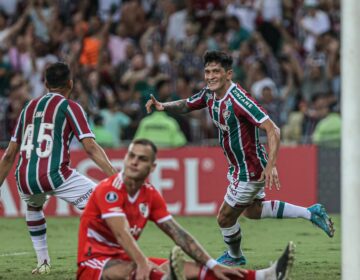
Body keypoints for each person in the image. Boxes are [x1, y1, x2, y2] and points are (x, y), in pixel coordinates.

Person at [146, 50, 334, 266]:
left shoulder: (239, 100)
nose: (210, 76)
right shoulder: (209, 94)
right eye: (207, 72)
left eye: (216, 72)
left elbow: (273, 129)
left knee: (225, 217)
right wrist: (163, 106)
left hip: (250, 169)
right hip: (239, 167)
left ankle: (235, 256)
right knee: (252, 211)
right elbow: (188, 104)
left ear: (228, 74)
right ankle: (311, 213)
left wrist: (271, 165)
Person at [77, 138, 295, 280]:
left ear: (152, 167)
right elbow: (120, 232)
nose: (134, 162)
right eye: (131, 156)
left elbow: (177, 233)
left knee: (198, 270)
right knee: (137, 272)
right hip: (93, 265)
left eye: (141, 159)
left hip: (127, 258)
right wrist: (143, 263)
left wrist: (211, 263)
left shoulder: (150, 194)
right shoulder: (108, 189)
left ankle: (264, 276)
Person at [0, 62, 118, 274]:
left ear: (45, 83)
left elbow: (9, 154)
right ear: (70, 84)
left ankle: (43, 263)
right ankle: (101, 256)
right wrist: (116, 178)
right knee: (102, 203)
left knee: (34, 206)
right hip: (55, 174)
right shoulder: (70, 107)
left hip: (24, 178)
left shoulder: (28, 108)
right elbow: (90, 147)